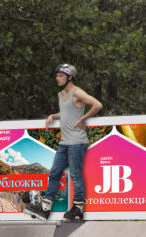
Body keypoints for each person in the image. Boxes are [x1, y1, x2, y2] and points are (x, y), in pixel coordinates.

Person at [24, 64, 102, 221]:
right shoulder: (60, 95)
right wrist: (53, 115)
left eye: (60, 75)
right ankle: (45, 208)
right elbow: (66, 112)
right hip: (64, 142)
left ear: (69, 77)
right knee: (54, 172)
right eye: (57, 75)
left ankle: (78, 209)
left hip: (77, 142)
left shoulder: (77, 92)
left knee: (75, 175)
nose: (57, 78)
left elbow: (97, 105)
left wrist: (83, 119)